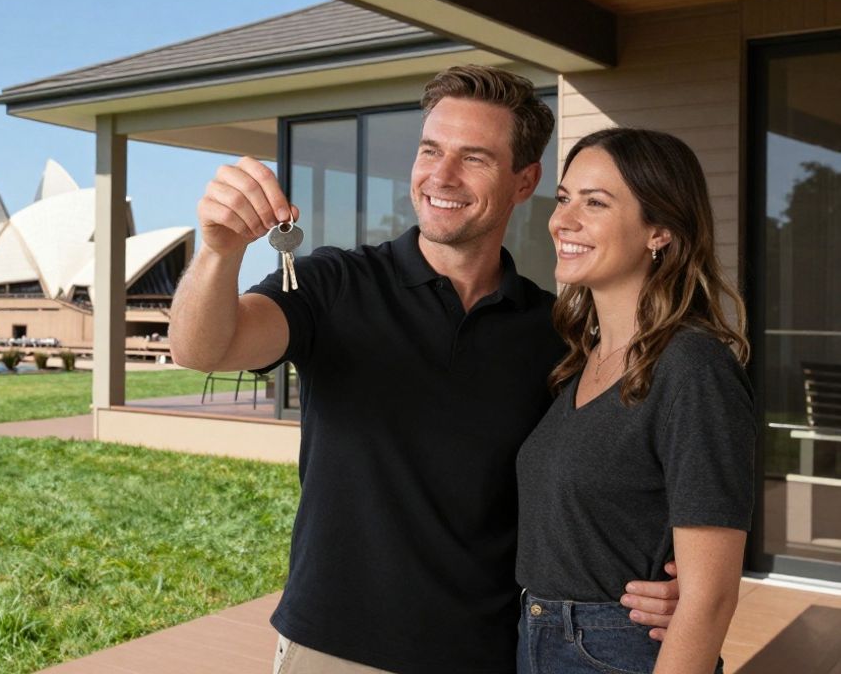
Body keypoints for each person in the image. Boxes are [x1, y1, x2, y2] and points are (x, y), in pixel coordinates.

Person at [169, 65, 681, 674]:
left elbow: (601, 476)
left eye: (474, 158)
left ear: (525, 181)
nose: (441, 176)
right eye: (430, 150)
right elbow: (205, 348)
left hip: (491, 653)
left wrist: (668, 583)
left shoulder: (557, 331)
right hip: (334, 648)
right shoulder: (336, 284)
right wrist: (219, 251)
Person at [515, 128, 753, 674]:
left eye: (595, 203)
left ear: (660, 230)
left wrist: (686, 602)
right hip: (539, 638)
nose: (563, 221)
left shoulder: (693, 366)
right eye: (564, 198)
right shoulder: (580, 361)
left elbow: (711, 597)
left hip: (618, 652)